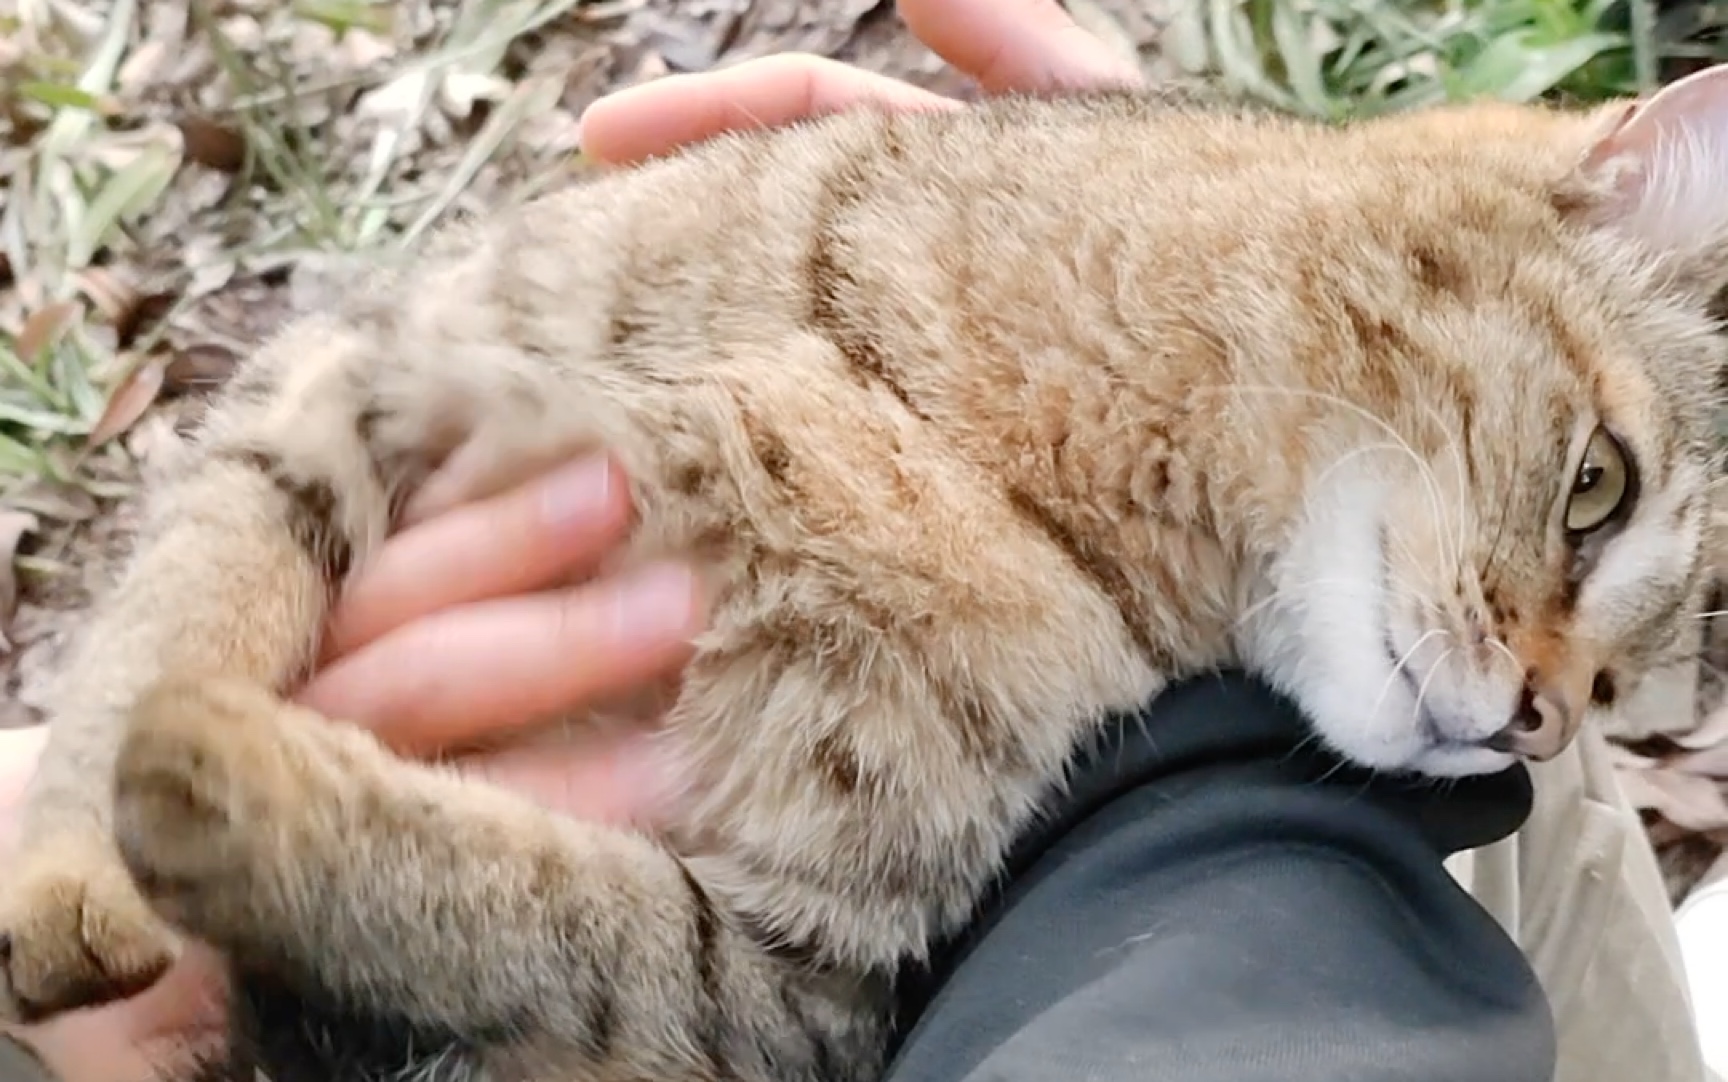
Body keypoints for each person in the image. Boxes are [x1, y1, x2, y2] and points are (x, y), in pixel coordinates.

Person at [0, 1, 1719, 1079]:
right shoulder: (813, 221)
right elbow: (314, 433)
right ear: (1520, 194)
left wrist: (363, 882)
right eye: (1585, 493)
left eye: (1604, 690)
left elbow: (771, 1011)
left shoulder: (1071, 665)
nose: (1538, 692)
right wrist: (83, 818)